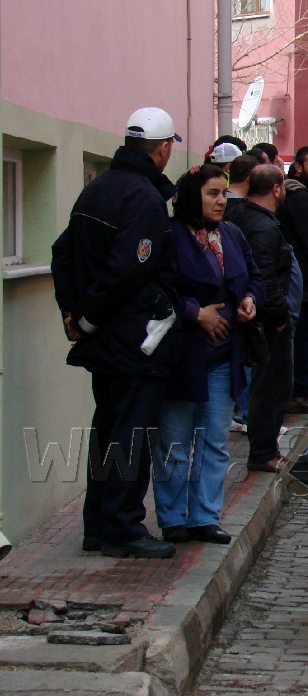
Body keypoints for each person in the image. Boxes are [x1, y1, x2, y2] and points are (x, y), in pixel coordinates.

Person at [51, 107, 183, 559]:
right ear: (163, 148)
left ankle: (99, 525)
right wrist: (86, 316)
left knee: (107, 427)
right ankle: (124, 527)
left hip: (102, 339)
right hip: (134, 339)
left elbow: (62, 252)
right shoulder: (143, 198)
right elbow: (129, 268)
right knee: (130, 432)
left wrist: (73, 312)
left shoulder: (97, 189)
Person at [154, 165, 263, 546]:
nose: (221, 201)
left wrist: (249, 299)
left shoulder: (231, 234)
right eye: (212, 193)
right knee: (175, 441)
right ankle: (171, 518)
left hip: (222, 358)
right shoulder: (170, 236)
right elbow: (157, 286)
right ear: (191, 197)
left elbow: (253, 276)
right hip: (183, 356)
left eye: (223, 193)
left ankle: (205, 515)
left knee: (214, 439)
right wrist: (194, 313)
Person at [225, 164, 295, 473]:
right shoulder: (261, 226)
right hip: (267, 321)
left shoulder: (248, 218)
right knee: (272, 385)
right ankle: (264, 450)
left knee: (268, 385)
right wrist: (279, 315)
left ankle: (265, 448)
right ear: (277, 189)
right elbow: (264, 276)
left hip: (260, 316)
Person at [278, 147, 308, 414]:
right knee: (305, 338)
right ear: (298, 166)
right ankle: (300, 391)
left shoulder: (298, 194)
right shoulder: (299, 197)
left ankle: (299, 389)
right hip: (305, 279)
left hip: (301, 276)